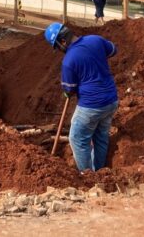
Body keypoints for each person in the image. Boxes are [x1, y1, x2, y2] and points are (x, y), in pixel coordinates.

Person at [45, 22, 118, 172]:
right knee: (101, 137)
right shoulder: (95, 40)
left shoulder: (69, 61)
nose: (59, 50)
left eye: (58, 47)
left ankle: (87, 176)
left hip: (92, 105)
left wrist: (67, 91)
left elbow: (69, 89)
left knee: (77, 138)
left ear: (63, 41)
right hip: (111, 100)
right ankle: (100, 171)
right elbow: (112, 50)